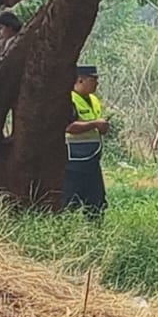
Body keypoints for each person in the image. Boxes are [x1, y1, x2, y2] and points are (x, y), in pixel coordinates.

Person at [62, 65, 109, 218]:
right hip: (73, 160)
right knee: (70, 200)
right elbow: (68, 127)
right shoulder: (69, 99)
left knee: (97, 201)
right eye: (93, 79)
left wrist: (102, 127)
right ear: (80, 80)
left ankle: (94, 231)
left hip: (92, 158)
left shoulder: (94, 100)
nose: (96, 83)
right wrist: (95, 124)